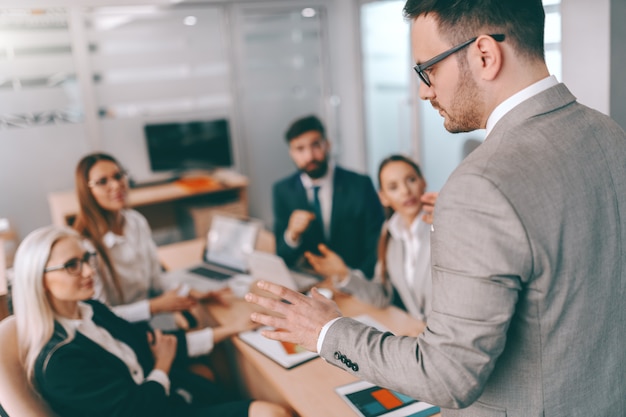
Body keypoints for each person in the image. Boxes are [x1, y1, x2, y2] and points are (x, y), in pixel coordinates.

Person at [246, 1, 626, 416]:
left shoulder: (480, 184)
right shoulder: (610, 134)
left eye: (428, 69)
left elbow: (446, 377)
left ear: (485, 55)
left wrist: (325, 330)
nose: (424, 90)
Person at [10, 225, 291, 417]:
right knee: (272, 413)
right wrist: (162, 365)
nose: (87, 271)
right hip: (155, 409)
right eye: (72, 265)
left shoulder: (90, 310)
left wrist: (232, 329)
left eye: (86, 259)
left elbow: (157, 343)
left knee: (228, 376)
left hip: (162, 397)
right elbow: (138, 410)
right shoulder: (60, 362)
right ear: (39, 280)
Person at [73, 152, 224, 326]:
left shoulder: (135, 221)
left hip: (150, 319)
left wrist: (189, 291)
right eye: (102, 182)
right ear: (87, 191)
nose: (116, 185)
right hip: (121, 332)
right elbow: (102, 317)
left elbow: (156, 280)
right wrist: (154, 307)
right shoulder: (86, 246)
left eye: (118, 176)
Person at [305, 155, 437, 322]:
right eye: (393, 187)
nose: (405, 191)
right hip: (418, 334)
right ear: (383, 197)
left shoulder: (443, 224)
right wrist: (344, 274)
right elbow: (381, 296)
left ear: (423, 182)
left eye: (411, 180)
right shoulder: (389, 233)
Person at [272, 115, 384, 277]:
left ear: (328, 145)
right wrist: (292, 235)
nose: (309, 156)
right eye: (300, 149)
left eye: (315, 145)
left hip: (354, 280)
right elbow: (282, 256)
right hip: (312, 281)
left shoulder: (360, 185)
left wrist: (354, 280)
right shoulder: (282, 190)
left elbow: (377, 244)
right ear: (291, 153)